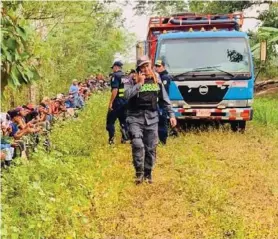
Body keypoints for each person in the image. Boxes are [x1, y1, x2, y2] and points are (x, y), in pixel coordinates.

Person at [124, 55, 177, 184]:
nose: (146, 68)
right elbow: (126, 95)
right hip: (135, 117)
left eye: (147, 65)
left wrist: (172, 115)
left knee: (151, 147)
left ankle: (148, 173)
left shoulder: (156, 78)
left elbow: (164, 98)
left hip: (152, 118)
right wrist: (139, 84)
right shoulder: (130, 79)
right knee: (137, 144)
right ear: (138, 69)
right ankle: (139, 173)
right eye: (142, 66)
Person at [106, 61, 129, 144]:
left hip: (117, 102)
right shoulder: (126, 76)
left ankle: (111, 140)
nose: (113, 70)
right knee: (123, 121)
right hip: (125, 102)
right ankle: (125, 139)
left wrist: (111, 102)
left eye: (113, 68)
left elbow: (115, 90)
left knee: (110, 122)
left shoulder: (115, 76)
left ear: (116, 67)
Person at [155, 59, 173, 144]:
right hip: (157, 103)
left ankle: (163, 141)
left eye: (159, 66)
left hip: (162, 103)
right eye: (156, 66)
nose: (157, 68)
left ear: (163, 66)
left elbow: (163, 92)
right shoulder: (158, 76)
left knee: (162, 122)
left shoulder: (165, 77)